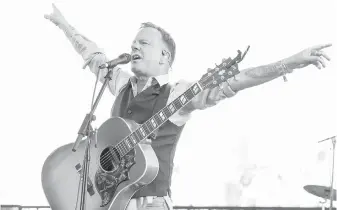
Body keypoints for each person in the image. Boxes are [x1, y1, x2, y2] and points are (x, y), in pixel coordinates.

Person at [44, 3, 332, 210]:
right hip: (108, 204)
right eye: (133, 42)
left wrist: (292, 62)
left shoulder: (176, 94)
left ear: (164, 56)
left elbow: (239, 79)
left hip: (151, 204)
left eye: (143, 43)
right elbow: (94, 55)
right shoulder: (119, 83)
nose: (134, 47)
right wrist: (64, 25)